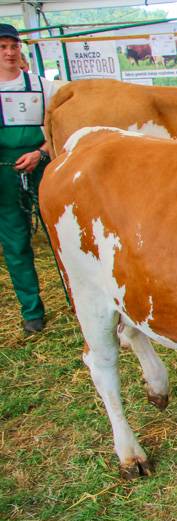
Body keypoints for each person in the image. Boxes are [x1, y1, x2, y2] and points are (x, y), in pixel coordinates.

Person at [0, 24, 57, 334]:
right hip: (4, 170)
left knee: (59, 235)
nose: (10, 52)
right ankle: (31, 310)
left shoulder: (40, 85)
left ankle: (77, 300)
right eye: (2, 47)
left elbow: (59, 127)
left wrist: (41, 153)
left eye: (13, 46)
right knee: (15, 242)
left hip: (41, 164)